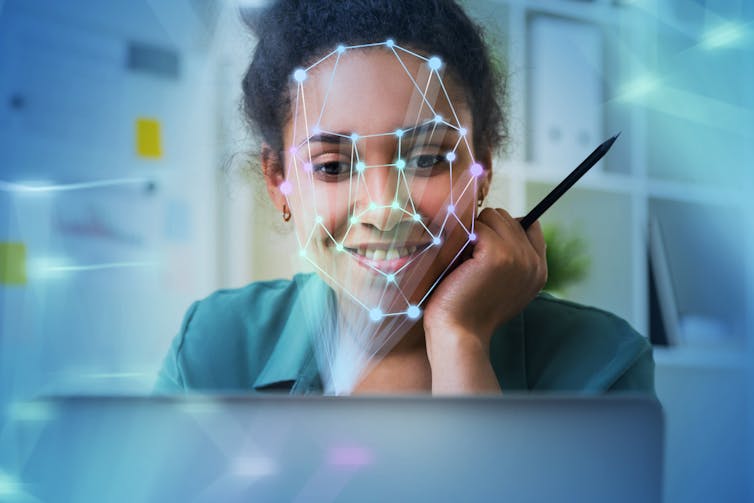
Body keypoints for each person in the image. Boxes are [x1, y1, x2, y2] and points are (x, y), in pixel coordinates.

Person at [155, 0, 654, 396]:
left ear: (482, 168)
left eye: (425, 159)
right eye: (331, 166)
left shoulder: (600, 363)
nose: (383, 209)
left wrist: (461, 340)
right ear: (277, 179)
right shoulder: (212, 346)